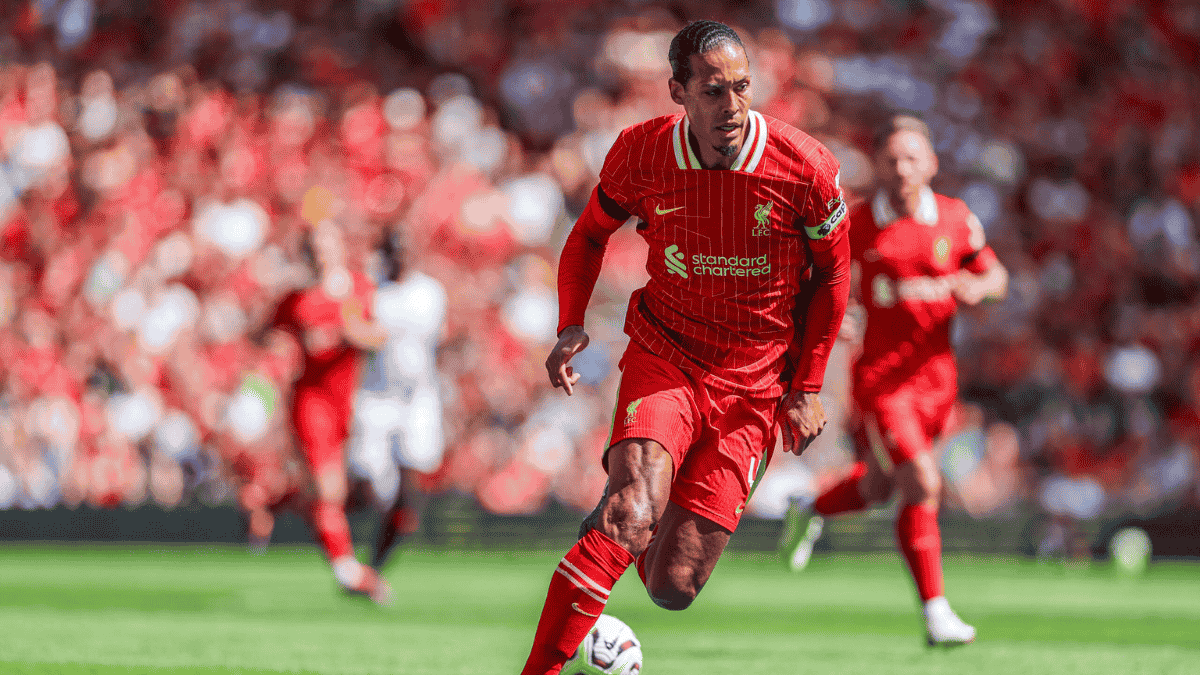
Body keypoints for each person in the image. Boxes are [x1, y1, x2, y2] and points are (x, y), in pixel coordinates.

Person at [522, 20, 851, 675]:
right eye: (711, 90)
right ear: (677, 91)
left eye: (741, 88)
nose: (730, 106)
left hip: (755, 385)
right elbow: (589, 234)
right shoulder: (642, 153)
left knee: (674, 583)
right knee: (630, 513)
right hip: (665, 354)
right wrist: (570, 323)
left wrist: (807, 386)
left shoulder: (805, 166)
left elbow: (834, 274)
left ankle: (628, 517)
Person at [777, 115, 1008, 646]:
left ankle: (810, 507)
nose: (903, 169)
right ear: (878, 166)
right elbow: (813, 280)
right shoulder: (857, 224)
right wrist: (835, 316)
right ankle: (937, 614)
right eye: (892, 159)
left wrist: (981, 289)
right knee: (922, 483)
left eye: (912, 158)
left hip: (937, 382)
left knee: (882, 487)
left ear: (931, 163)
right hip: (882, 384)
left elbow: (994, 274)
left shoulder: (955, 218)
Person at [265, 219, 394, 605]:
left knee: (356, 491)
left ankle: (278, 501)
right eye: (315, 247)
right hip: (311, 402)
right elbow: (271, 336)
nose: (321, 254)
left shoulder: (360, 289)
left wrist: (351, 335)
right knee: (328, 489)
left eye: (327, 245)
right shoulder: (296, 299)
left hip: (353, 403)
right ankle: (347, 570)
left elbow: (380, 333)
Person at [348, 231, 448, 570]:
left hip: (417, 397)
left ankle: (375, 564)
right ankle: (344, 543)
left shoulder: (429, 292)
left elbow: (437, 339)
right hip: (375, 396)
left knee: (407, 490)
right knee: (370, 483)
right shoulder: (370, 290)